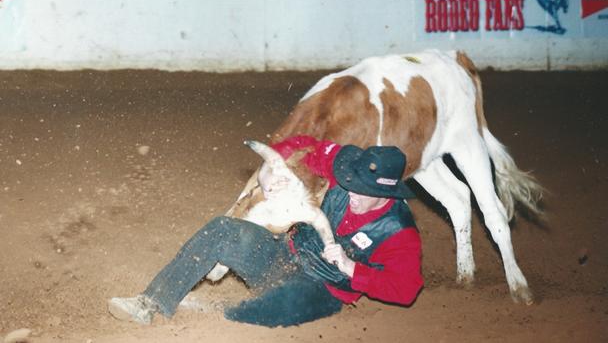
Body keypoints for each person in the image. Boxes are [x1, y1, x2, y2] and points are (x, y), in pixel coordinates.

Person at [108, 135, 423, 326]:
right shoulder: (346, 170)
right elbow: (303, 145)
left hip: (322, 290)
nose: (352, 191)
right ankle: (149, 302)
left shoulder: (398, 232)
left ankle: (219, 309)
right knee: (223, 228)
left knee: (274, 308)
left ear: (388, 194)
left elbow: (406, 289)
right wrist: (275, 171)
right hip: (283, 254)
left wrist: (353, 269)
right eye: (353, 183)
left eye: (363, 190)